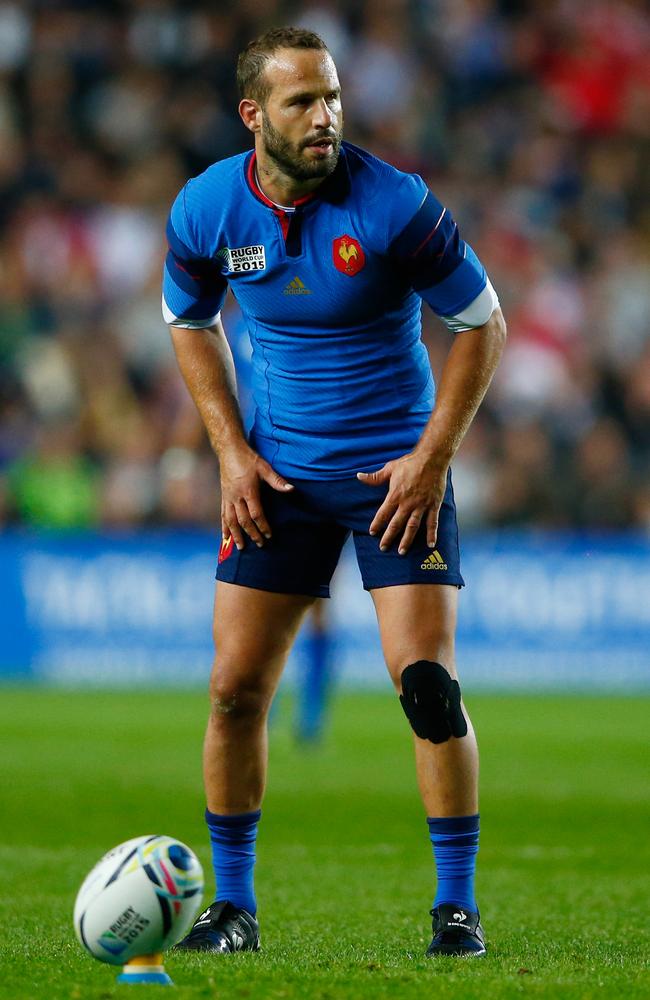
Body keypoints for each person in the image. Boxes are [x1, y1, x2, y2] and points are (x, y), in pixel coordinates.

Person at [162, 27, 506, 958]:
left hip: (394, 477)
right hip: (273, 480)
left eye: (333, 97)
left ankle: (455, 907)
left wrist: (433, 459)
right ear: (253, 117)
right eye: (302, 102)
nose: (326, 117)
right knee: (234, 691)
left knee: (426, 687)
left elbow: (482, 324)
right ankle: (232, 908)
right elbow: (188, 322)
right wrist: (230, 453)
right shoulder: (204, 210)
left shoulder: (396, 205)